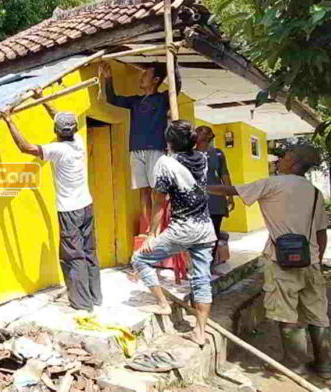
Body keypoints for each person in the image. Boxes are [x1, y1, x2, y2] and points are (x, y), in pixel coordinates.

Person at [209, 145, 330, 377]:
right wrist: (316, 257)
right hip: (311, 262)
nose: (279, 161)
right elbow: (321, 232)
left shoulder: (273, 184)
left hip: (281, 262)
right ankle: (325, 366)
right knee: (317, 313)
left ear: (294, 163)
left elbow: (231, 190)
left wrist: (198, 187)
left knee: (286, 313)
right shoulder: (315, 192)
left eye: (284, 158)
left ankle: (294, 365)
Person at [0, 91, 102, 313]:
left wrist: (9, 120)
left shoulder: (57, 150)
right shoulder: (78, 141)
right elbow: (59, 117)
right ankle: (95, 296)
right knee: (89, 251)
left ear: (56, 132)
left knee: (74, 255)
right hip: (86, 205)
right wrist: (42, 98)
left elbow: (26, 147)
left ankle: (83, 304)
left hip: (70, 211)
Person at [130, 120, 216, 347]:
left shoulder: (165, 163)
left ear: (168, 142)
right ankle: (199, 332)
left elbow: (159, 202)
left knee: (139, 258)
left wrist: (151, 234)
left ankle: (162, 304)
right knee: (202, 280)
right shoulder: (203, 159)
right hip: (206, 228)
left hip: (183, 227)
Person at [99, 58, 181, 234]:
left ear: (156, 80)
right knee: (143, 192)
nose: (141, 77)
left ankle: (157, 229)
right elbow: (112, 99)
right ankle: (150, 228)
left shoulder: (162, 99)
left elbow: (177, 86)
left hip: (156, 149)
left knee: (158, 191)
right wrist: (108, 78)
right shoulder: (135, 101)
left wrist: (173, 62)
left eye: (146, 74)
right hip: (136, 150)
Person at [195, 125, 234, 264]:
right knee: (198, 233)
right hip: (196, 200)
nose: (198, 132)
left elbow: (224, 173)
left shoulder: (217, 153)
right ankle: (199, 263)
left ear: (209, 136)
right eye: (197, 130)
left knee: (214, 232)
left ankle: (209, 263)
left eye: (202, 131)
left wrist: (229, 194)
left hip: (216, 199)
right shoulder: (188, 154)